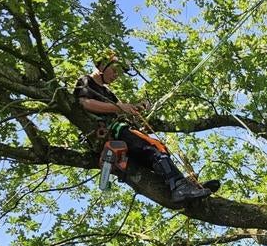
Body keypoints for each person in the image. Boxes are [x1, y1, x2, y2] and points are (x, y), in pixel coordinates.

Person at [74, 55, 219, 204]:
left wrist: (135, 108)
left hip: (119, 133)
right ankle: (179, 186)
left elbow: (121, 110)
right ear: (103, 65)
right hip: (109, 130)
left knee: (157, 152)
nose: (116, 76)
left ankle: (182, 185)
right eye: (115, 71)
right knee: (153, 147)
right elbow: (85, 103)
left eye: (119, 74)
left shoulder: (109, 93)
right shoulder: (86, 81)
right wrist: (119, 108)